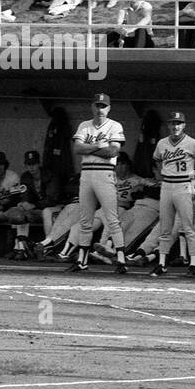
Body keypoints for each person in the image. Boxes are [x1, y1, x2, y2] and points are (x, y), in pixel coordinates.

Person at [70, 93, 128, 273]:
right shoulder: (84, 125)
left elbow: (113, 151)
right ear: (92, 106)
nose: (100, 109)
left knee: (112, 219)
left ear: (109, 108)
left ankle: (121, 260)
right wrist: (99, 146)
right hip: (86, 174)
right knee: (85, 220)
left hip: (105, 174)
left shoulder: (114, 125)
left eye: (103, 106)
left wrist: (92, 148)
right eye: (97, 105)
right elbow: (77, 148)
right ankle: (82, 260)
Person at [148, 110, 195, 277]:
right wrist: (161, 175)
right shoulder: (162, 143)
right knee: (165, 227)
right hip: (167, 185)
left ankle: (194, 263)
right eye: (172, 123)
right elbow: (156, 161)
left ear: (184, 125)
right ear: (168, 125)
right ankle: (161, 263)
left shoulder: (191, 142)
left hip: (184, 185)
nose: (175, 126)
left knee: (189, 226)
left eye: (178, 123)